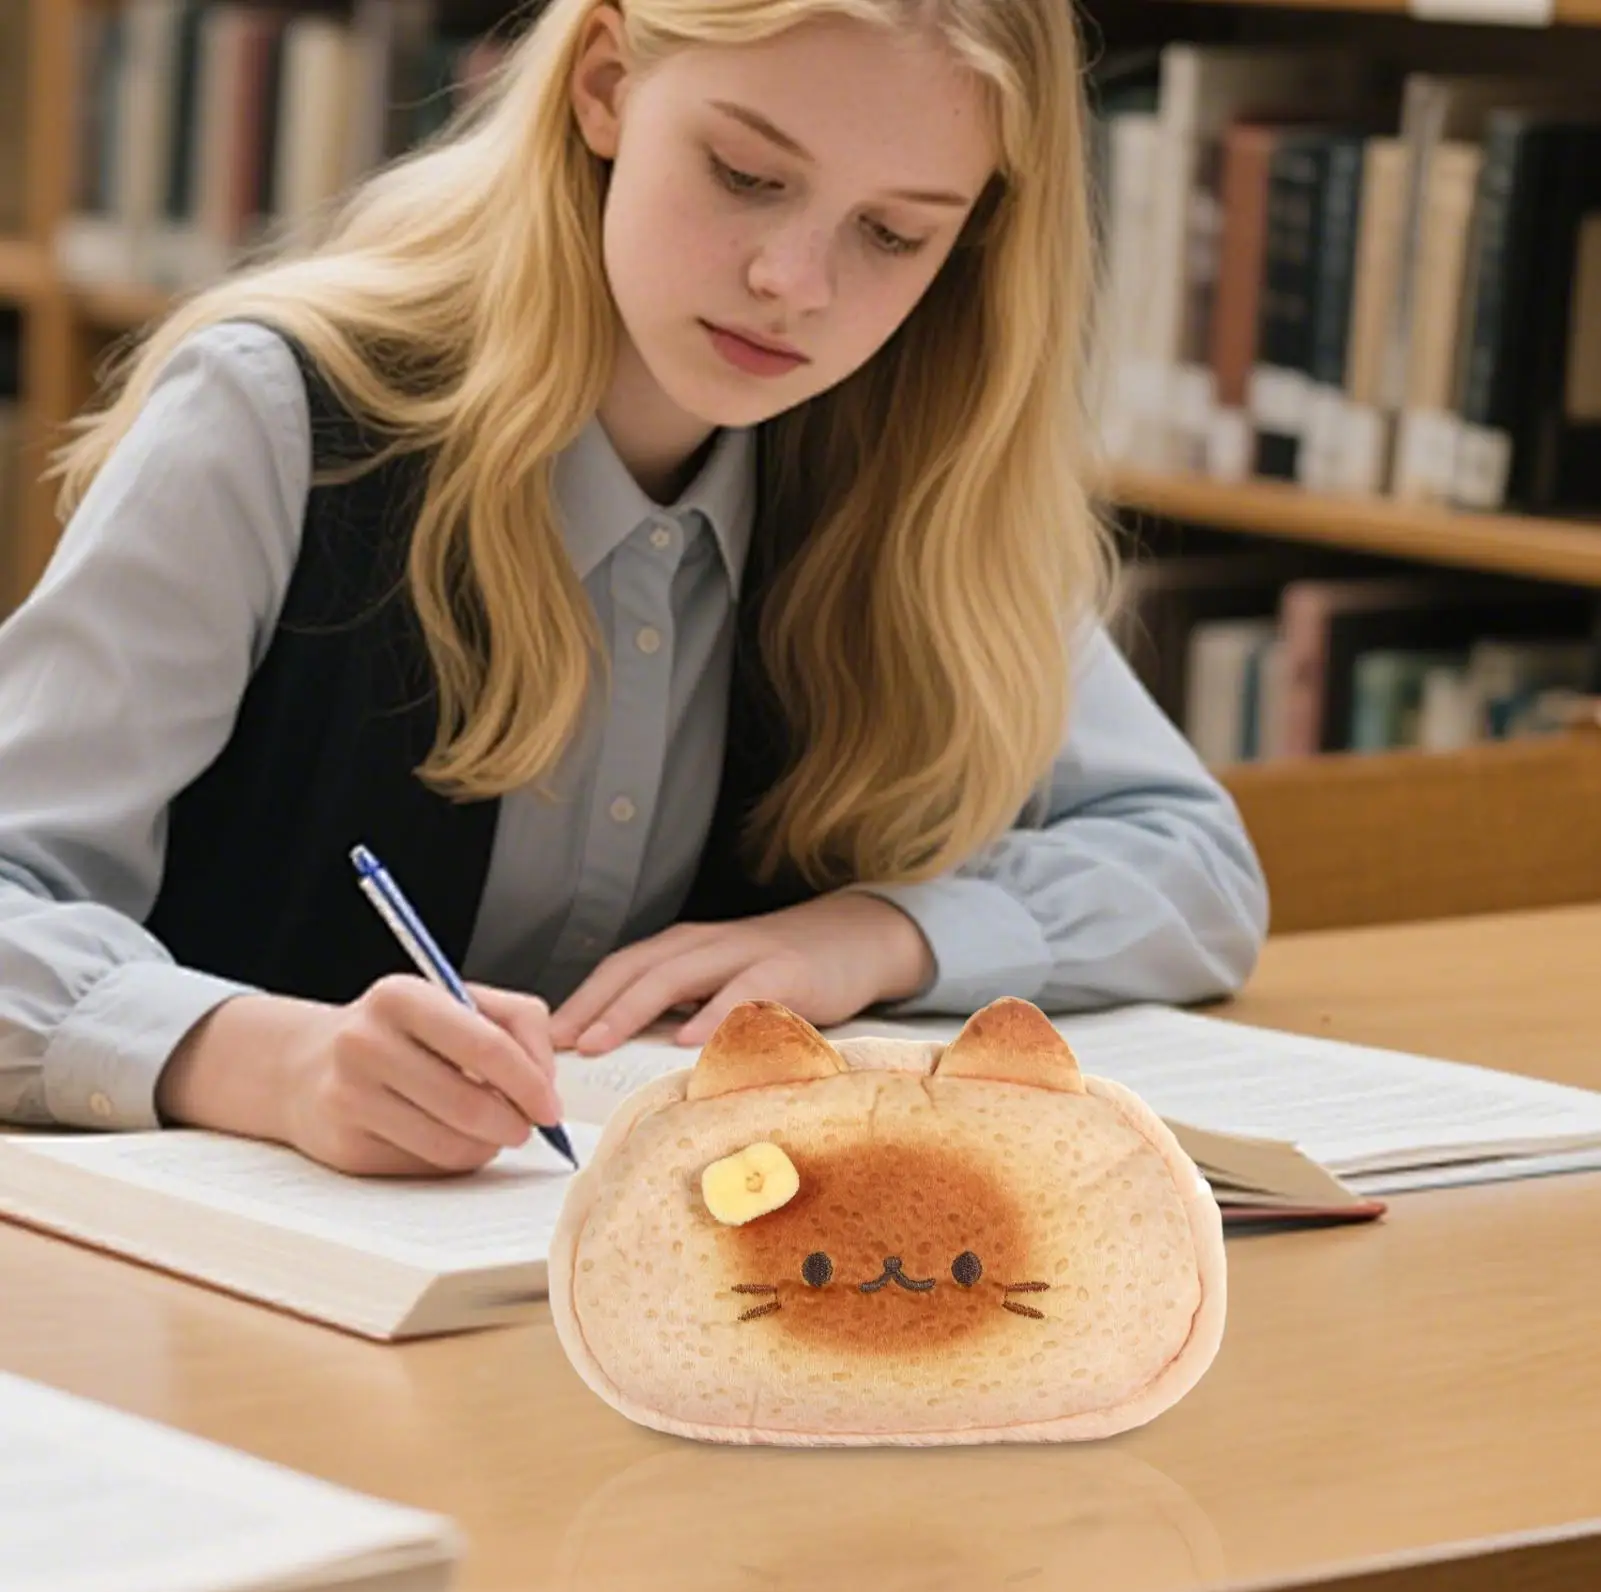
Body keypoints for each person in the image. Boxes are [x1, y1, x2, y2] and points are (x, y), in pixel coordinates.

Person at [0, 0, 1268, 1178]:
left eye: (892, 233)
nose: (796, 282)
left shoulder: (923, 483)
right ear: (604, 87)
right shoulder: (274, 417)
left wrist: (880, 932)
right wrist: (264, 1060)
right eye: (746, 175)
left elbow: (1193, 868)